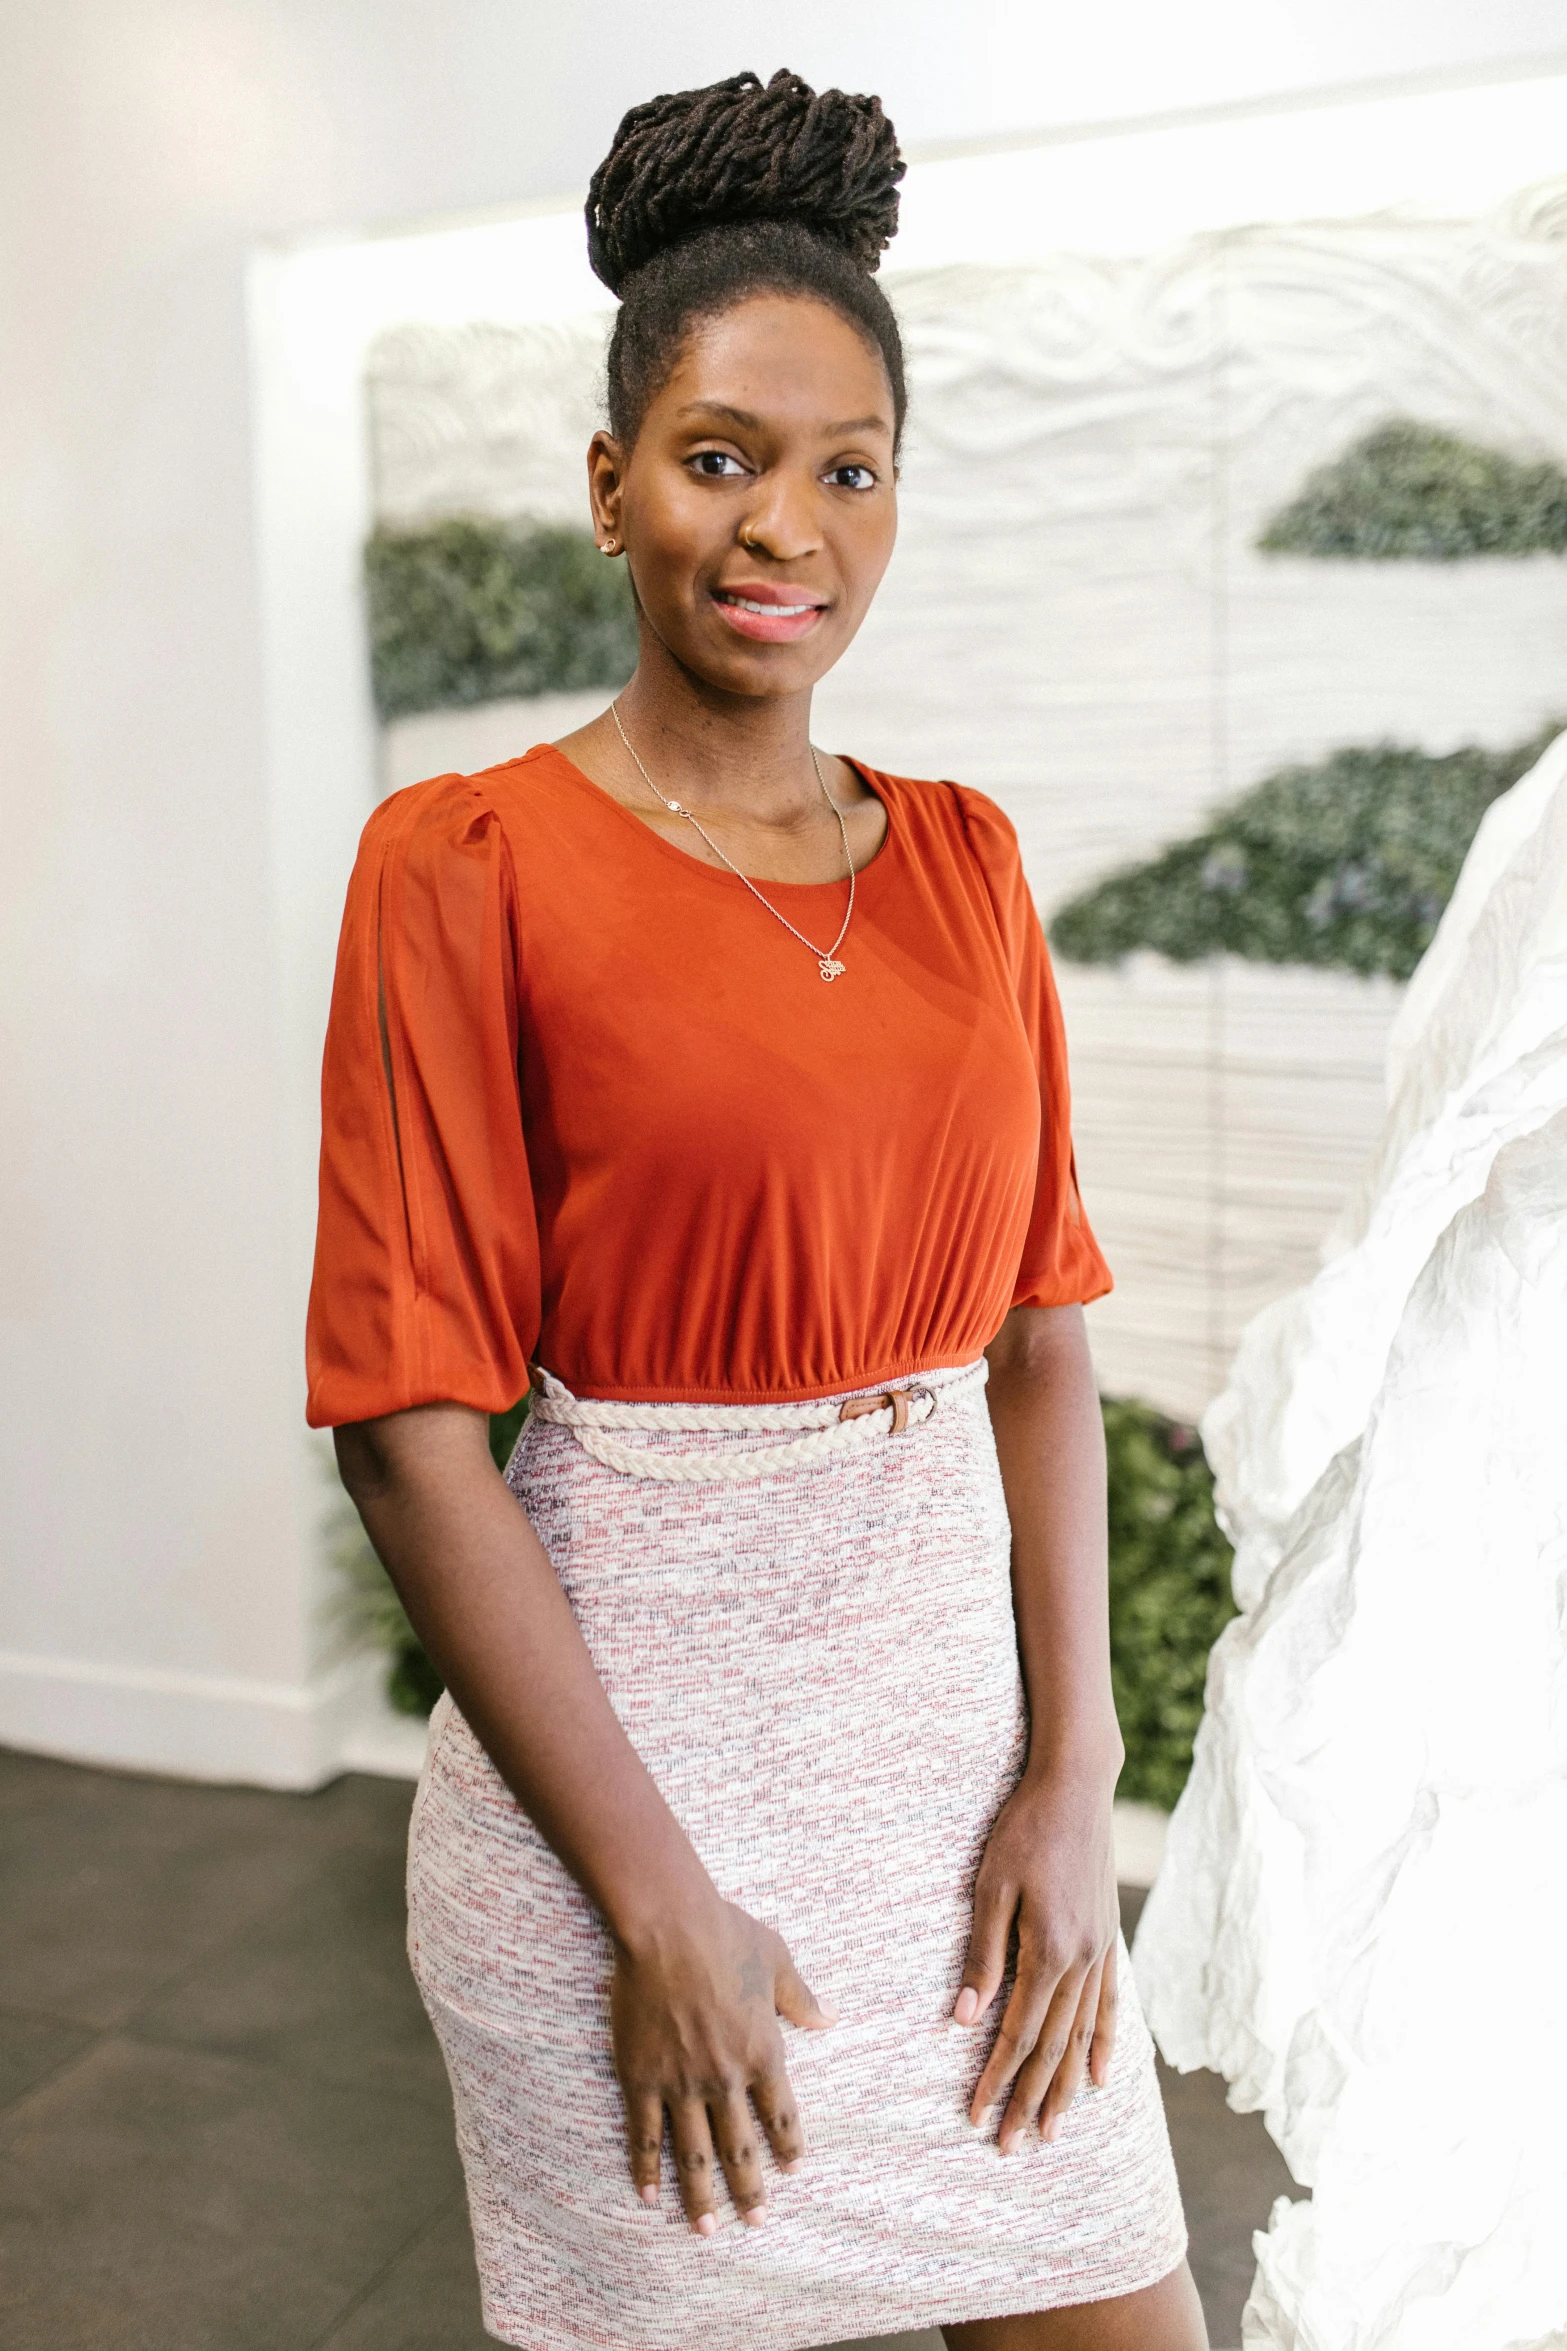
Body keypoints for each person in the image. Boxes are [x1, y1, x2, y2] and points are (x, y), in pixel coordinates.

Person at [309, 66, 1203, 2351]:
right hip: (632, 1826)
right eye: (719, 457)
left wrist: (1073, 1778)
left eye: (847, 468)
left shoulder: (975, 864)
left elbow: (1037, 1342)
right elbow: (412, 1421)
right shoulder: (466, 861)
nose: (781, 524)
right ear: (610, 486)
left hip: (972, 1830)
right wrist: (658, 1908)